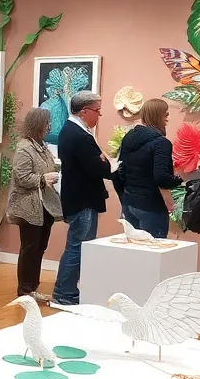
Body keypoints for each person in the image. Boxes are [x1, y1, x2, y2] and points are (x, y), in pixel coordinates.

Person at [51, 91, 112, 306]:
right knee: (78, 247)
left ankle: (65, 290)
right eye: (97, 110)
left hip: (79, 198)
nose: (99, 115)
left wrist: (102, 160)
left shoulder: (73, 130)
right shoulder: (78, 134)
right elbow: (98, 167)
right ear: (84, 111)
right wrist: (104, 161)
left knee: (77, 245)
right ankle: (65, 292)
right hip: (82, 200)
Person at [6, 108, 62, 300]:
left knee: (39, 248)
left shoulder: (41, 146)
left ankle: (32, 288)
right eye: (46, 123)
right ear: (38, 125)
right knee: (30, 249)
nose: (49, 127)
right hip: (28, 207)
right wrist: (43, 179)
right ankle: (25, 289)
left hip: (44, 207)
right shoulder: (25, 148)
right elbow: (21, 177)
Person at [115, 98, 180, 237]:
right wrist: (177, 182)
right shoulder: (161, 143)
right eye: (166, 114)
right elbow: (161, 178)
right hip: (151, 205)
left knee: (133, 247)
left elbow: (120, 171)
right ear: (159, 116)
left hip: (129, 203)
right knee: (153, 248)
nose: (167, 118)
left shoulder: (128, 137)